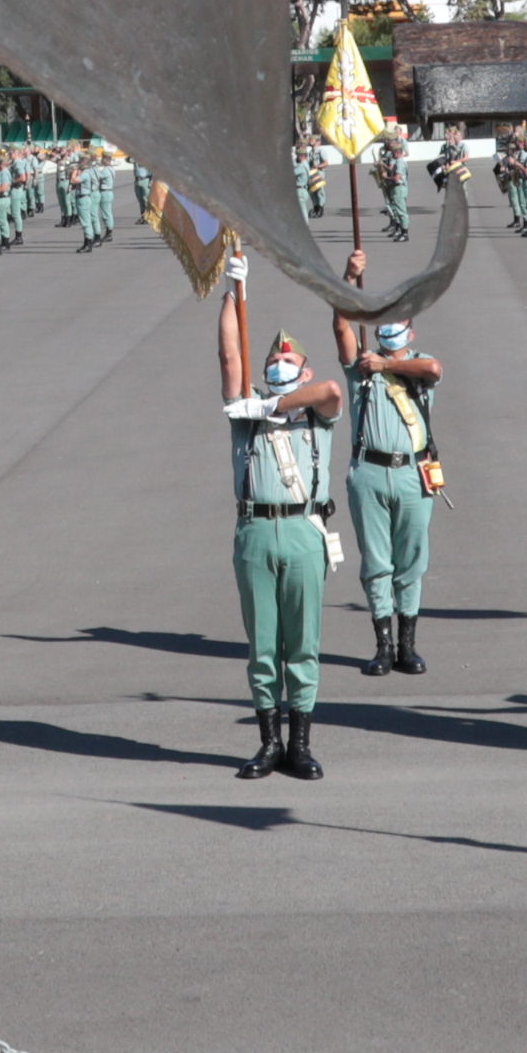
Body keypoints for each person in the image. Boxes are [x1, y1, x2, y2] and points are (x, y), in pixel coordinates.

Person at [216, 259, 342, 780]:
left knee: (303, 643)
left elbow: (332, 391)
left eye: (289, 360)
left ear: (302, 370)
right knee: (263, 644)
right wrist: (232, 291)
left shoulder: (315, 411)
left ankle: (301, 743)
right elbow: (228, 353)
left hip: (302, 530)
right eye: (273, 359)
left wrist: (276, 405)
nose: (279, 363)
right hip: (254, 533)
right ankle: (269, 742)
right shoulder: (243, 408)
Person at [333, 247, 441, 676]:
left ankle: (408, 645)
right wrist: (348, 278)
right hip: (370, 472)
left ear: (411, 333)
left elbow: (434, 368)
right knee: (377, 561)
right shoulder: (362, 368)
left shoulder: (416, 363)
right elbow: (342, 323)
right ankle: (382, 644)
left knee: (412, 559)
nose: (392, 328)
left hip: (414, 471)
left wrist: (388, 364)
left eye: (401, 323)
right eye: (385, 322)